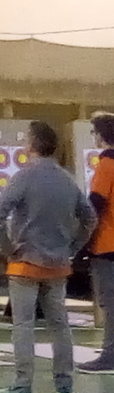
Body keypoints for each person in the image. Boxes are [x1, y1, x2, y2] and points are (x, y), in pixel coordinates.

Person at [0, 120, 96, 393]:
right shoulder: (67, 179)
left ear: (32, 144)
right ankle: (65, 383)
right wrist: (73, 246)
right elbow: (90, 217)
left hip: (25, 262)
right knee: (59, 324)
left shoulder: (24, 176)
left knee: (23, 325)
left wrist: (7, 247)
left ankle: (23, 384)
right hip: (59, 264)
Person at [79, 113, 114, 373]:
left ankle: (110, 355)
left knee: (110, 303)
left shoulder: (107, 163)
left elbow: (95, 204)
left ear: (101, 136)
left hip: (107, 243)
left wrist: (80, 240)